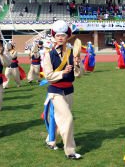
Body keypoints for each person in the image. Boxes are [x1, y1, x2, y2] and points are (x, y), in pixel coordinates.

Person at [42, 20, 85, 160]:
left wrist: (78, 65)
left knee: (60, 120)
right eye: (58, 35)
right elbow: (48, 76)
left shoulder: (73, 53)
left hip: (69, 91)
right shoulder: (49, 55)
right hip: (55, 92)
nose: (60, 37)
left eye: (63, 35)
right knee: (67, 119)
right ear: (54, 37)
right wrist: (63, 73)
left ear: (67, 37)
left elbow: (80, 74)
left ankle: (50, 140)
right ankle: (70, 151)